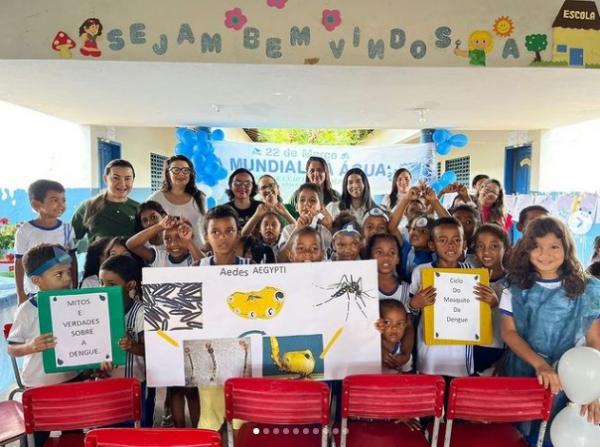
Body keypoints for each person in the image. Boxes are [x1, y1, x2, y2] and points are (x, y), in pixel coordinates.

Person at [500, 217, 600, 432]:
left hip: (572, 381)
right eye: (537, 247)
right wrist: (540, 365)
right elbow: (509, 332)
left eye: (554, 247)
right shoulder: (514, 286)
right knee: (520, 433)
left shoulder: (588, 288)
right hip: (523, 374)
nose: (545, 255)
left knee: (559, 432)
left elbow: (594, 341)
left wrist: (592, 389)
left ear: (566, 248)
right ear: (526, 250)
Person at [7, 244, 81, 446]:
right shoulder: (27, 311)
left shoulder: (77, 303)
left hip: (71, 379)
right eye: (58, 274)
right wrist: (30, 346)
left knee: (73, 433)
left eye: (67, 272)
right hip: (39, 385)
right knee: (36, 437)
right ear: (36, 281)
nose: (67, 278)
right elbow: (11, 348)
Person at [408, 217, 495, 377]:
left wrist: (492, 302)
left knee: (457, 396)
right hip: (429, 353)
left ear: (464, 244)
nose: (451, 245)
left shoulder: (473, 272)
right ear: (432, 245)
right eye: (443, 240)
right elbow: (411, 315)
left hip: (461, 356)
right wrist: (415, 304)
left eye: (457, 240)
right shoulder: (421, 272)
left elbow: (485, 308)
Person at [98, 254, 152, 426]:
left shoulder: (141, 313)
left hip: (136, 386)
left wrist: (132, 346)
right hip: (106, 386)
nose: (105, 289)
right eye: (101, 283)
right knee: (109, 431)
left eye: (112, 284)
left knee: (135, 430)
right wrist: (96, 364)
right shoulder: (95, 311)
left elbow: (151, 350)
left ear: (130, 285)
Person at [14, 180, 77, 303]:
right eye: (55, 200)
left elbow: (71, 258)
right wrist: (20, 293)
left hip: (62, 291)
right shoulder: (25, 230)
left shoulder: (67, 229)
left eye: (63, 200)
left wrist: (74, 286)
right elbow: (19, 263)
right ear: (36, 205)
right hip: (35, 291)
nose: (61, 205)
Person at [472, 224, 510, 375]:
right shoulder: (467, 278)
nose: (486, 252)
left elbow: (518, 326)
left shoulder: (512, 283)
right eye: (480, 246)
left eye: (494, 246)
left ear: (505, 248)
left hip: (496, 349)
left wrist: (496, 305)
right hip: (467, 349)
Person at [72, 159, 138, 243]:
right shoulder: (88, 207)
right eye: (115, 178)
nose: (122, 184)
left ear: (133, 180)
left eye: (127, 179)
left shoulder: (138, 208)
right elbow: (68, 241)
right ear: (105, 179)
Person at [147, 155, 206, 245]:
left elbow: (204, 226)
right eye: (176, 170)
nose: (181, 174)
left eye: (186, 170)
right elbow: (147, 228)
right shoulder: (156, 198)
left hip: (197, 250)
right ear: (168, 173)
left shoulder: (200, 197)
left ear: (191, 174)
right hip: (168, 253)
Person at [278, 183, 333, 262]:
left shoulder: (324, 230)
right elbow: (281, 258)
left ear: (321, 207)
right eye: (302, 200)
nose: (306, 204)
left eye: (312, 200)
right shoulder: (288, 230)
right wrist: (297, 230)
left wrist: (330, 227)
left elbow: (339, 252)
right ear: (296, 207)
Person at [126, 216, 203, 267]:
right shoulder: (159, 258)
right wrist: (159, 226)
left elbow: (208, 270)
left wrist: (189, 242)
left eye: (179, 237)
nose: (173, 244)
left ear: (190, 237)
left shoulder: (196, 256)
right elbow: (131, 244)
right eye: (167, 238)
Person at [376, 299, 413, 373]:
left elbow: (407, 376)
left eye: (400, 323)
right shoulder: (371, 345)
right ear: (378, 323)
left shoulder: (404, 354)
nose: (394, 327)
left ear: (406, 325)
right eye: (387, 322)